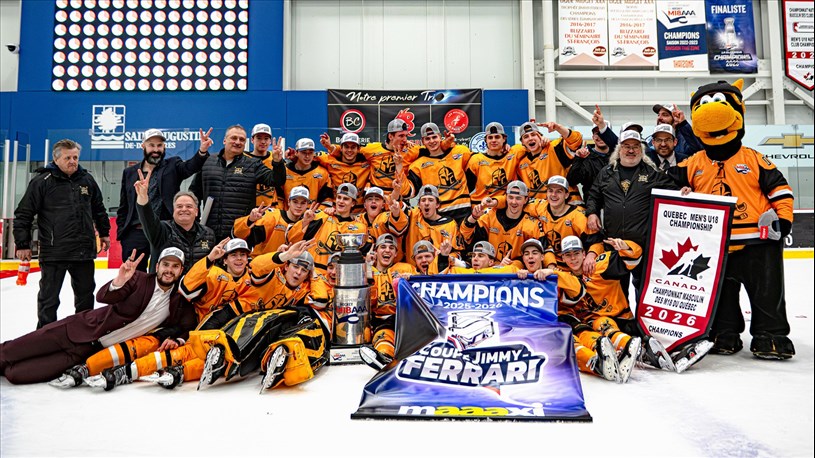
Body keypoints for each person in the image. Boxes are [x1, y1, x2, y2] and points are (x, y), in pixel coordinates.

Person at [672, 79, 795, 359]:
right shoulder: (693, 163)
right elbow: (665, 189)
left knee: (767, 293)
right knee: (721, 295)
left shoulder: (753, 158)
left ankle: (771, 335)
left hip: (758, 242)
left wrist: (783, 220)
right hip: (714, 244)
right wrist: (680, 193)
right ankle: (724, 334)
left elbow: (780, 190)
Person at [0, 247, 192, 385]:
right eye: (165, 264)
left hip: (88, 351)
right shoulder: (139, 279)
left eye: (175, 266)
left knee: (16, 375)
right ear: (157, 266)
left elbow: (187, 327)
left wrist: (177, 339)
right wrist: (119, 281)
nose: (169, 270)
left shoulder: (178, 301)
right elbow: (103, 297)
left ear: (181, 270)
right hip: (76, 329)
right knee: (9, 352)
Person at [13, 139, 111, 329]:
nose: (73, 161)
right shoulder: (42, 181)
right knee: (48, 299)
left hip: (83, 251)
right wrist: (23, 244)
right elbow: (24, 214)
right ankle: (46, 335)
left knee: (85, 297)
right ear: (56, 159)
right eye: (68, 158)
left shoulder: (87, 180)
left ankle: (84, 333)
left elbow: (99, 209)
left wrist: (104, 233)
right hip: (54, 252)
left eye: (75, 157)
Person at [585, 130, 678, 303]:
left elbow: (674, 193)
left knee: (644, 289)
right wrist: (591, 213)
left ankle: (643, 320)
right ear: (619, 149)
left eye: (635, 146)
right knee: (617, 289)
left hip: (642, 244)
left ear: (641, 151)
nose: (631, 150)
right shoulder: (607, 172)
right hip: (613, 243)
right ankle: (622, 319)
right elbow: (594, 195)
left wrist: (684, 191)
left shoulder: (652, 173)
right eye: (626, 146)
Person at [116, 128, 209, 271]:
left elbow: (190, 167)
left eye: (159, 145)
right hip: (136, 232)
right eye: (151, 145)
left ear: (164, 147)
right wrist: (123, 234)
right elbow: (124, 206)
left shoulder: (173, 165)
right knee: (134, 276)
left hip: (164, 231)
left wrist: (202, 151)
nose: (156, 149)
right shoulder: (129, 173)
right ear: (143, 146)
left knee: (160, 274)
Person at [189, 125, 285, 240]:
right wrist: (195, 221)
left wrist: (277, 162)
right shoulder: (208, 161)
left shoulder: (253, 164)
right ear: (224, 140)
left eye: (242, 139)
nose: (238, 142)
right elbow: (194, 193)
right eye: (234, 138)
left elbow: (276, 180)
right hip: (209, 232)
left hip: (240, 232)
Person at [134, 169, 216, 272]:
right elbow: (147, 218)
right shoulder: (162, 231)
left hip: (197, 282)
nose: (184, 209)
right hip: (166, 282)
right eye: (179, 206)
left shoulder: (208, 234)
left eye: (189, 206)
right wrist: (143, 197)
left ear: (196, 211)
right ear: (173, 211)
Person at [287, 183, 372, 275]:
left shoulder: (360, 227)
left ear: (353, 203)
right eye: (339, 197)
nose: (341, 201)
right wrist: (305, 221)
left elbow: (364, 257)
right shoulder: (320, 216)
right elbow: (292, 239)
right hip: (314, 273)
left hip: (339, 275)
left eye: (346, 199)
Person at [358, 234, 415, 369]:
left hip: (404, 319)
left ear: (396, 253)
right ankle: (384, 357)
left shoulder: (405, 269)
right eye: (383, 247)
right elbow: (367, 303)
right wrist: (368, 271)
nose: (387, 250)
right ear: (376, 251)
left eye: (391, 248)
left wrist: (411, 280)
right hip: (379, 321)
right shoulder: (366, 271)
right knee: (383, 335)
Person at [460, 181, 544, 264]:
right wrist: (474, 217)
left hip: (515, 269)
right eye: (510, 197)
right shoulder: (490, 216)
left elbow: (540, 253)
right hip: (490, 268)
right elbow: (466, 235)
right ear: (506, 197)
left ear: (526, 200)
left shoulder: (531, 224)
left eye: (518, 198)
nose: (514, 202)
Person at [405, 123, 472, 222]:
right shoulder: (418, 165)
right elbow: (409, 192)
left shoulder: (460, 151)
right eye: (427, 139)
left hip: (464, 210)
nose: (432, 141)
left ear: (440, 137)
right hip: (439, 214)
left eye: (434, 137)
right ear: (423, 141)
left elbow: (475, 173)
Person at [394, 184, 465, 267]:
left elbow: (458, 253)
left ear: (437, 204)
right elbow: (398, 205)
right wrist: (396, 192)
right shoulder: (413, 215)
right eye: (423, 200)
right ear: (419, 204)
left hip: (439, 271)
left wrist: (444, 256)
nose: (426, 203)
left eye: (431, 200)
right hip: (413, 271)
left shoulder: (450, 224)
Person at [513, 121, 583, 203]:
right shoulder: (521, 165)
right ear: (522, 142)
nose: (530, 138)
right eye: (526, 137)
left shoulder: (554, 148)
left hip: (568, 204)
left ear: (540, 136)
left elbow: (575, 141)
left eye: (533, 134)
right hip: (541, 208)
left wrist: (558, 128)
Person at [232, 185, 309, 256]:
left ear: (307, 204)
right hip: (262, 263)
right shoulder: (272, 217)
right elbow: (238, 234)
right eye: (295, 202)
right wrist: (250, 220)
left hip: (288, 265)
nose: (299, 206)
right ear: (288, 202)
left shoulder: (308, 224)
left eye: (303, 203)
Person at [465, 122, 523, 205]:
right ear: (486, 140)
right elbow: (467, 188)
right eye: (490, 137)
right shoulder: (476, 160)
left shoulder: (514, 154)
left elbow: (531, 146)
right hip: (481, 204)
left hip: (505, 204)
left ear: (504, 139)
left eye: (497, 137)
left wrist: (542, 140)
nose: (493, 140)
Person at [317, 132, 371, 213]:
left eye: (353, 147)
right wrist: (330, 147)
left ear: (358, 149)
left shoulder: (367, 163)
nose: (349, 150)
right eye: (346, 147)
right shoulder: (330, 161)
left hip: (359, 212)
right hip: (336, 211)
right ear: (341, 148)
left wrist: (331, 147)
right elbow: (307, 156)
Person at [282, 138, 334, 209]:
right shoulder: (284, 171)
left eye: (310, 152)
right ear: (296, 153)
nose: (307, 156)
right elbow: (278, 197)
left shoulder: (322, 173)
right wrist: (283, 213)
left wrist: (316, 213)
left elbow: (326, 200)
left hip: (313, 214)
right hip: (288, 214)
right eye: (304, 152)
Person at [246, 123, 285, 208]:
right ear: (252, 140)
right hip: (249, 209)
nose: (263, 142)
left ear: (270, 141)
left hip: (271, 209)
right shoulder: (244, 159)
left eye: (266, 138)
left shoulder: (276, 159)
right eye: (259, 138)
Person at [568, 125, 611, 200]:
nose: (601, 136)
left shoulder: (619, 157)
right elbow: (572, 181)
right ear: (593, 137)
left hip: (615, 205)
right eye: (597, 134)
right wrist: (578, 158)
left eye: (604, 133)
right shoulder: (585, 158)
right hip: (592, 205)